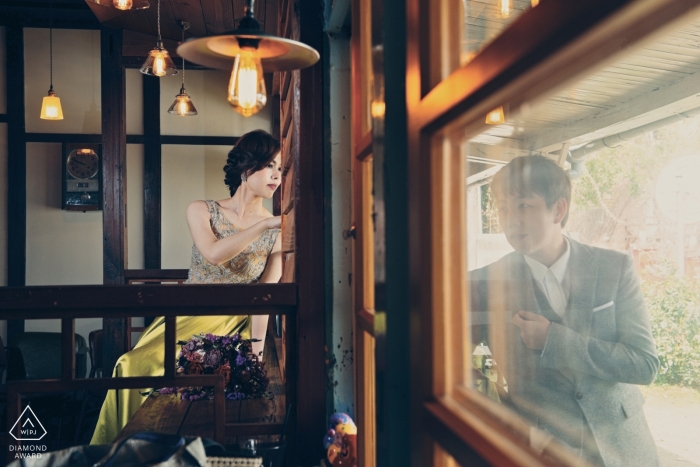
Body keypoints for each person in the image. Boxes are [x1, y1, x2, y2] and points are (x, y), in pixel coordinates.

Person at [90, 129, 283, 445]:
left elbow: (265, 293)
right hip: (186, 315)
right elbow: (213, 254)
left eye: (280, 168)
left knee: (184, 387)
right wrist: (263, 224)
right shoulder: (202, 209)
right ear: (247, 168)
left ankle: (162, 448)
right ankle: (117, 452)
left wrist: (256, 354)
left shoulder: (278, 230)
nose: (276, 175)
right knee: (129, 366)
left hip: (233, 323)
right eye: (269, 166)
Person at [470, 155, 659, 467]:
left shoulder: (614, 267)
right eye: (503, 208)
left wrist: (554, 341)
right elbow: (477, 365)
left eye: (523, 205)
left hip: (625, 448)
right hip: (541, 452)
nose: (510, 220)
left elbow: (644, 364)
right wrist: (512, 425)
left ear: (558, 209)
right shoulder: (482, 282)